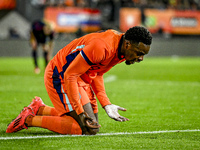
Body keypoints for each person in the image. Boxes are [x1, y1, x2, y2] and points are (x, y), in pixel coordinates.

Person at [6, 26, 152, 135]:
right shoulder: (103, 46)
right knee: (82, 128)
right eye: (139, 53)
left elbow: (98, 73)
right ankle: (28, 119)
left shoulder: (121, 51)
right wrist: (80, 111)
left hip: (80, 77)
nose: (140, 58)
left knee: (92, 125)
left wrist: (106, 104)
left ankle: (40, 109)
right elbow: (70, 75)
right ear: (128, 45)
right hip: (60, 75)